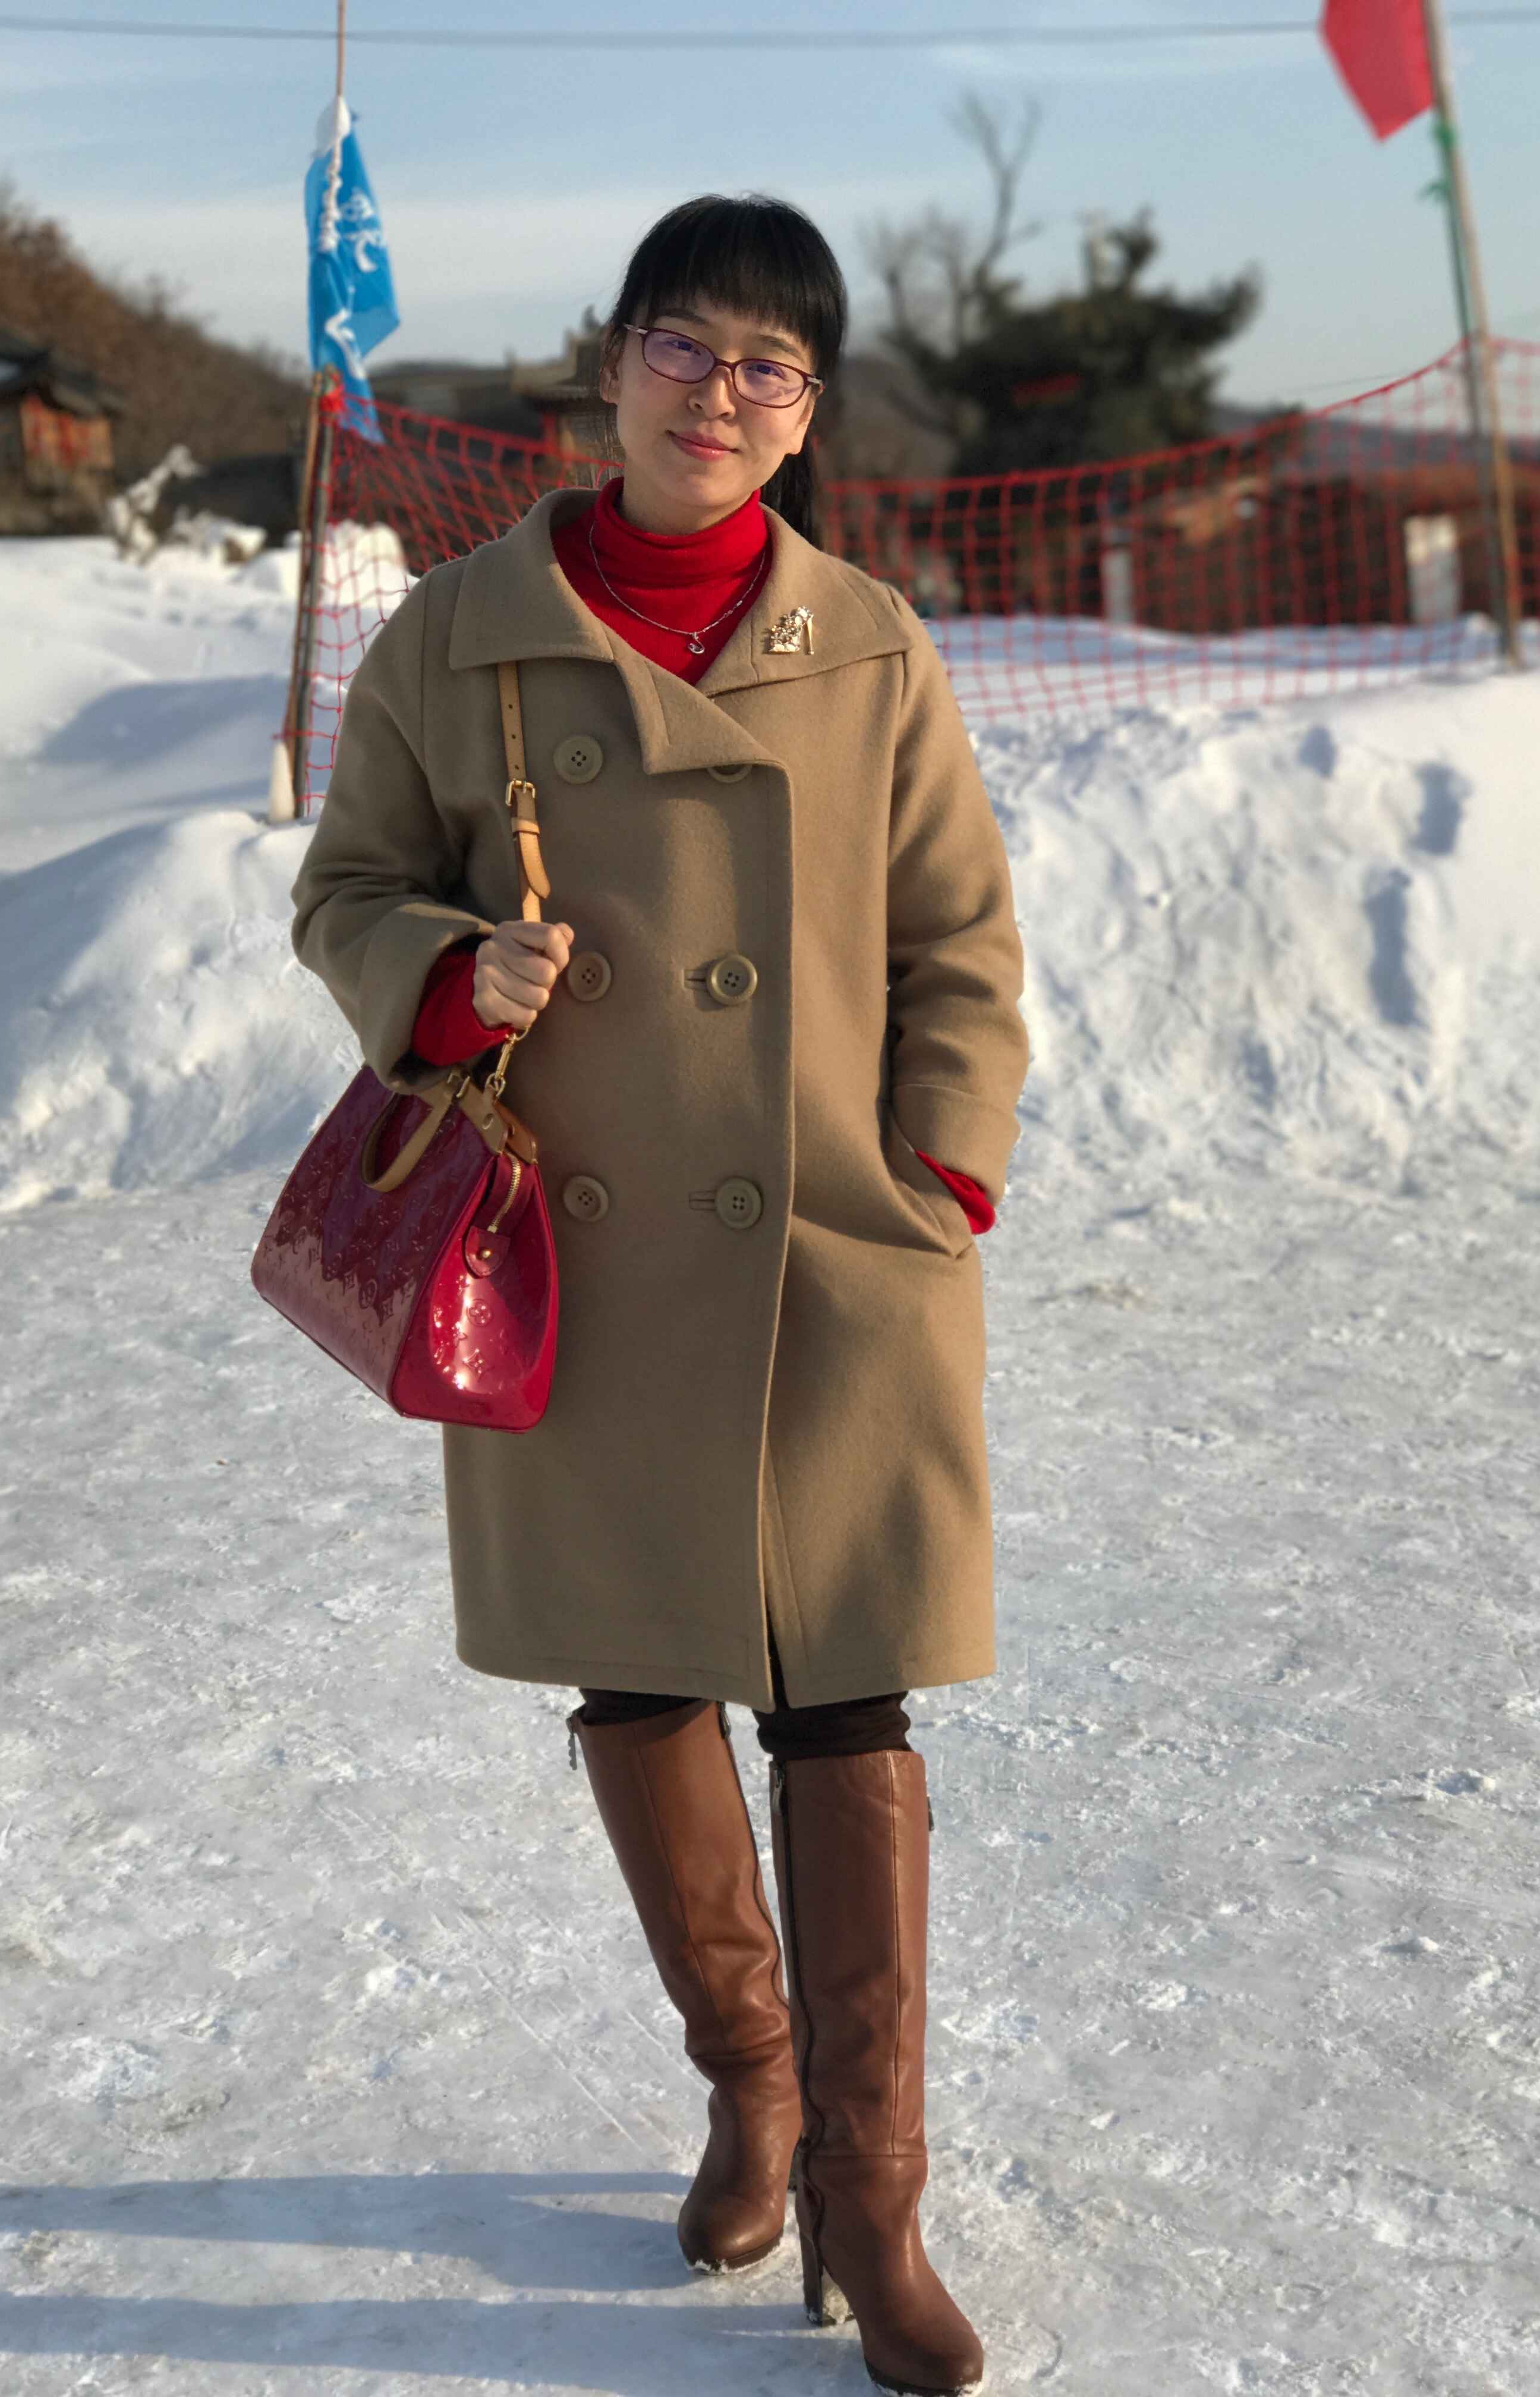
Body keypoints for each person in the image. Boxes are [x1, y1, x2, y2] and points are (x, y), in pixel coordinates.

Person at [289, 192, 1028, 2396]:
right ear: (611, 363)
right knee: (636, 1678)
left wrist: (940, 1171)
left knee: (850, 1695)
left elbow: (960, 942)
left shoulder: (872, 647)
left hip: (835, 1252)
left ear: (809, 417)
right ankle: (754, 2085)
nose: (723, 394)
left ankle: (877, 2200)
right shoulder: (456, 637)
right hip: (576, 1248)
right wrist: (445, 975)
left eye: (770, 367)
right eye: (686, 347)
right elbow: (347, 888)